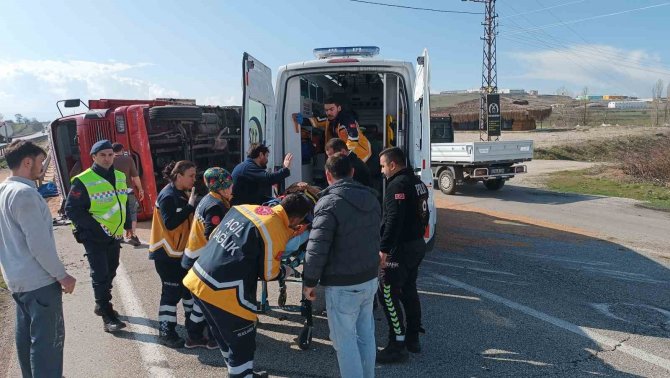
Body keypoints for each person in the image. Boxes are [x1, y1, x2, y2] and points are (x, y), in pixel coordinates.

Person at [183, 194, 313, 378]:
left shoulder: (245, 207)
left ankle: (243, 373)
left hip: (198, 278)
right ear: (296, 219)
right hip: (224, 291)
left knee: (223, 337)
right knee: (242, 343)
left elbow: (213, 235)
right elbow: (269, 273)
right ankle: (241, 374)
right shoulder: (276, 229)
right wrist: (287, 271)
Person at [0, 140, 77, 378]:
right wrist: (62, 275)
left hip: (16, 280)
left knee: (26, 339)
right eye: (40, 162)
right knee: (48, 344)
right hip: (39, 282)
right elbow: (39, 245)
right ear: (27, 162)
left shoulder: (3, 191)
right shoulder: (25, 194)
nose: (42, 168)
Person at [302, 153, 381, 378]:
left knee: (344, 342)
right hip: (369, 279)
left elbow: (316, 248)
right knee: (366, 335)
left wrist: (309, 282)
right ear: (352, 172)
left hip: (343, 284)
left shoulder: (328, 203)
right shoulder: (371, 197)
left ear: (327, 175)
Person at [65, 139, 129, 333]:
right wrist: (97, 229)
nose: (107, 158)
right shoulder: (83, 180)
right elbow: (72, 210)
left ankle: (102, 304)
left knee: (111, 270)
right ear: (93, 157)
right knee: (100, 274)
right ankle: (106, 313)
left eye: (110, 155)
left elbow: (122, 201)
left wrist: (126, 224)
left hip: (114, 234)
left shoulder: (119, 176)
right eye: (102, 155)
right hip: (94, 237)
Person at [376, 147, 430, 363]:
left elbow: (393, 221)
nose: (381, 171)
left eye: (382, 166)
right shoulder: (418, 183)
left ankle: (397, 344)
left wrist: (384, 250)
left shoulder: (397, 185)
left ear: (393, 164)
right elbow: (425, 215)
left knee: (386, 292)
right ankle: (412, 337)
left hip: (401, 249)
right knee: (408, 289)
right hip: (417, 245)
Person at [148, 160, 207, 348]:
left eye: (195, 175)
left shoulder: (180, 192)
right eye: (190, 175)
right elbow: (170, 223)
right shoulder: (168, 196)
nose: (194, 179)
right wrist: (190, 206)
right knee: (170, 295)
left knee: (187, 291)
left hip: (179, 254)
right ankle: (166, 332)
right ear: (178, 176)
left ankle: (193, 330)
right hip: (167, 256)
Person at [182, 167, 234, 350]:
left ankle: (194, 336)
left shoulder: (209, 198)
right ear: (221, 187)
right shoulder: (215, 206)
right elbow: (213, 235)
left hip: (193, 257)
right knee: (213, 302)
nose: (231, 188)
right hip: (202, 260)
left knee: (201, 302)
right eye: (228, 185)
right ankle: (212, 338)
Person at [301, 97, 372, 162]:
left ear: (339, 108)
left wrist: (345, 154)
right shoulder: (329, 119)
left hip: (361, 153)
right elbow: (316, 121)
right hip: (345, 154)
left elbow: (353, 138)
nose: (328, 112)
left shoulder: (347, 120)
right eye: (326, 110)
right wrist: (301, 120)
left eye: (331, 109)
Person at [112, 143, 144, 246]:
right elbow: (135, 177)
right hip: (127, 191)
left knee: (117, 213)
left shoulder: (108, 161)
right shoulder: (128, 160)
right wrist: (140, 189)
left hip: (113, 193)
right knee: (132, 212)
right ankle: (132, 235)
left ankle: (119, 235)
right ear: (122, 149)